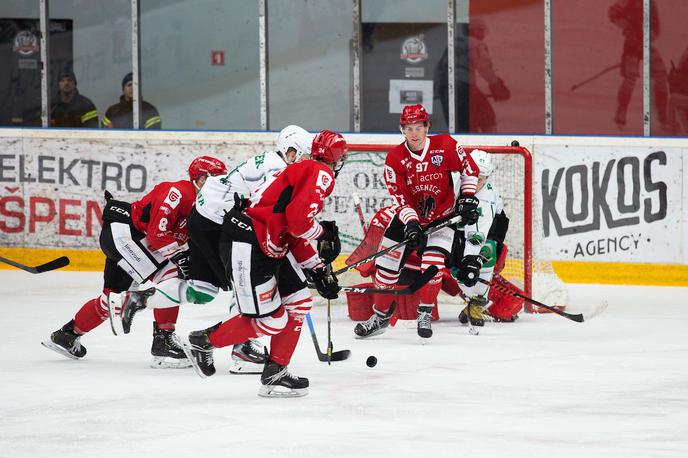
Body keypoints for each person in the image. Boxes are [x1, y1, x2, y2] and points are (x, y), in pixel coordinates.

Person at [180, 130, 348, 398]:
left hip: (265, 243)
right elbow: (298, 223)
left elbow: (290, 230)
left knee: (300, 302)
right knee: (273, 320)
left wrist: (316, 267)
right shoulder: (320, 173)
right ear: (336, 160)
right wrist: (323, 233)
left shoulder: (298, 170)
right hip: (249, 244)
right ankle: (204, 341)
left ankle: (276, 373)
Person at [144, 125, 313, 374]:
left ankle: (140, 299)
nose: (307, 163)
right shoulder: (275, 169)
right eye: (305, 156)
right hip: (215, 224)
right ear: (290, 152)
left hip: (212, 221)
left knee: (215, 287)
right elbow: (266, 213)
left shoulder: (273, 163)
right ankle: (241, 348)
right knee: (241, 281)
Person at [42, 156, 228, 369]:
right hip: (127, 237)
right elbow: (158, 232)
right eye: (211, 178)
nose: (217, 183)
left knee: (111, 299)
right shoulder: (178, 192)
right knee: (173, 277)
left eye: (221, 178)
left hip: (137, 243)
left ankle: (66, 336)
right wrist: (179, 256)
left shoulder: (208, 202)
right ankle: (163, 343)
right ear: (198, 178)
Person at [353, 104, 480, 340]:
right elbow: (399, 197)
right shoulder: (395, 158)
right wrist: (411, 224)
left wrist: (468, 198)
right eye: (409, 128)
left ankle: (424, 313)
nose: (414, 133)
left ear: (427, 126)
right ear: (402, 130)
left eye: (418, 127)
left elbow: (469, 170)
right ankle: (380, 316)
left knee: (432, 264)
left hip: (442, 218)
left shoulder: (446, 145)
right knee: (386, 267)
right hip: (407, 219)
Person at [450, 150, 523, 326]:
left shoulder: (490, 195)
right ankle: (472, 298)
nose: (475, 184)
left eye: (481, 179)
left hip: (483, 237)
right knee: (457, 269)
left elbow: (498, 224)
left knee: (487, 252)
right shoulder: (453, 183)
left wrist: (488, 247)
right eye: (472, 178)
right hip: (456, 235)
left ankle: (477, 303)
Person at [609, 0, 668, 129]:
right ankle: (621, 112)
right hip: (631, 46)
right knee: (630, 80)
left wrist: (650, 35)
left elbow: (656, 27)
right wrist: (627, 27)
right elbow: (613, 12)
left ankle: (663, 116)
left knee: (662, 77)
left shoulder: (651, 4)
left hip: (647, 46)